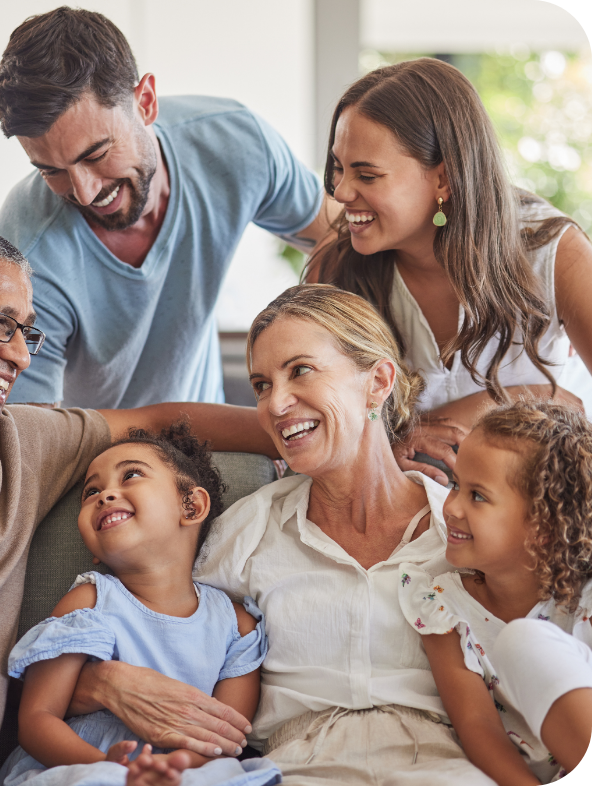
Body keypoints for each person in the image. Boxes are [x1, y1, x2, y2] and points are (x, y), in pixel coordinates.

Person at [0, 221, 276, 786]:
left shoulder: (20, 441)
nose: (21, 356)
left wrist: (341, 441)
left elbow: (156, 422)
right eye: (0, 325)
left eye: (27, 332)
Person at [189, 283, 494, 784]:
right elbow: (179, 647)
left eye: (300, 370)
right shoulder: (247, 531)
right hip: (293, 769)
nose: (276, 403)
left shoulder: (460, 528)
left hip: (446, 764)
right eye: (261, 385)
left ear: (377, 382)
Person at [0, 7, 337, 411]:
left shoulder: (234, 143)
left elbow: (343, 238)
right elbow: (34, 440)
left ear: (146, 102)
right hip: (89, 463)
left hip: (210, 446)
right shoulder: (25, 256)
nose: (84, 193)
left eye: (97, 154)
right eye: (51, 171)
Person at [307, 57, 592, 485]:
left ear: (444, 178)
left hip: (536, 498)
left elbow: (574, 410)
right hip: (406, 498)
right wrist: (530, 397)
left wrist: (497, 405)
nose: (341, 192)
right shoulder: (339, 268)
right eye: (338, 169)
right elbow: (314, 413)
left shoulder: (553, 252)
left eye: (367, 174)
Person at [0, 422, 279, 786]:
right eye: (91, 491)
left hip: (188, 772)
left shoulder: (237, 625)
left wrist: (170, 769)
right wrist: (110, 767)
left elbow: (225, 732)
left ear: (191, 506)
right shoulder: (89, 602)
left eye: (130, 475)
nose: (105, 495)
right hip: (87, 766)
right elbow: (36, 721)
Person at [399, 401, 592, 785]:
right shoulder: (440, 602)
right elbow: (477, 726)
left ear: (543, 526)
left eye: (478, 496)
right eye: (455, 484)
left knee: (524, 642)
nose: (450, 507)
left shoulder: (584, 593)